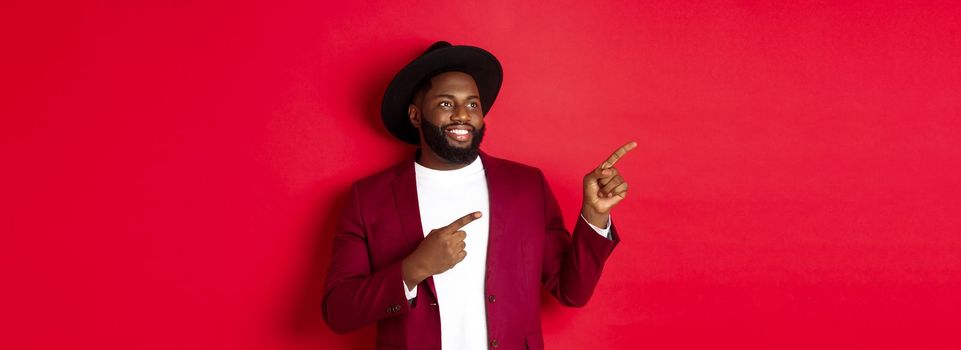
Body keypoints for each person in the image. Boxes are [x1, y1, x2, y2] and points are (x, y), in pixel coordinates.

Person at [323, 41, 635, 350]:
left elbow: (572, 292)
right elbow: (338, 311)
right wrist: (414, 268)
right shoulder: (369, 198)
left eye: (472, 104)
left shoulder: (526, 186)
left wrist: (595, 216)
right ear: (416, 115)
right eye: (446, 103)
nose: (463, 114)